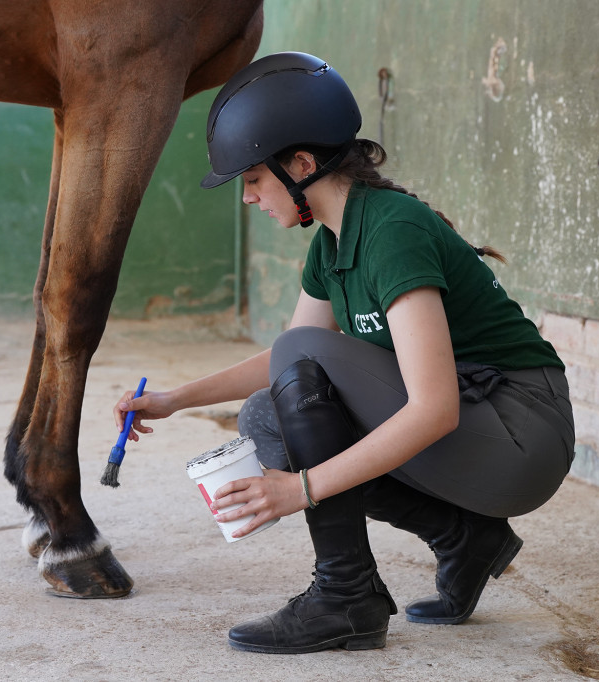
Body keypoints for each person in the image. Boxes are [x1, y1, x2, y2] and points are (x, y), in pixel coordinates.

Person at [112, 51, 575, 654]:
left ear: (301, 164)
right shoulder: (331, 243)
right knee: (267, 416)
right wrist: (173, 400)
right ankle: (463, 537)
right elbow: (287, 363)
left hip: (520, 435)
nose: (248, 197)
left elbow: (433, 409)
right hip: (478, 422)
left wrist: (298, 489)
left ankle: (346, 595)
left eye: (253, 179)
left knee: (301, 374)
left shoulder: (391, 231)